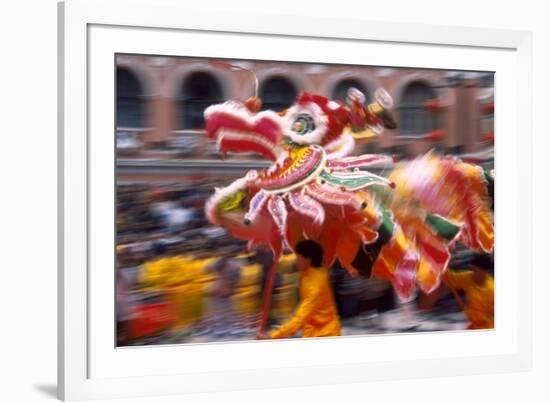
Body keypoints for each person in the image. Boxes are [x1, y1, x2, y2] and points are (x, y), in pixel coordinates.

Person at [257, 240, 341, 339]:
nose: (295, 260)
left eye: (298, 257)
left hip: (326, 334)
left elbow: (301, 317)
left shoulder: (316, 284)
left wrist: (273, 336)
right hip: (312, 332)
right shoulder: (307, 273)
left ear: (308, 260)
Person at [443, 253, 494, 329]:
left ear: (485, 272)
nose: (473, 273)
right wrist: (441, 262)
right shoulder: (468, 277)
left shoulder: (492, 290)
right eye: (472, 269)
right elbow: (450, 277)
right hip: (472, 326)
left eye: (476, 270)